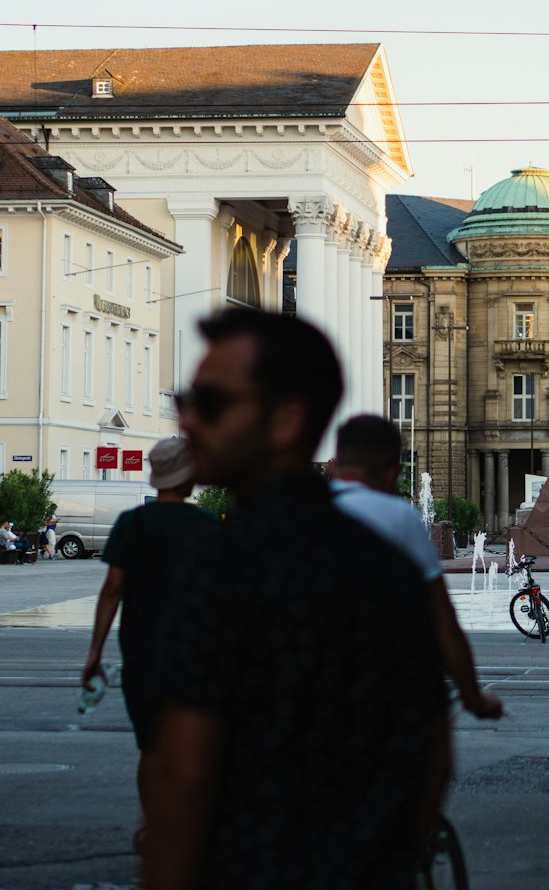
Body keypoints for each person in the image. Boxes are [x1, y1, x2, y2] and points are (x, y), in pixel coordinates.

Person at [144, 309, 449, 890]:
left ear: (285, 421)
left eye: (209, 403)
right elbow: (434, 747)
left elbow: (183, 773)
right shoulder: (386, 563)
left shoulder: (221, 564)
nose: (186, 419)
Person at [81, 438, 219, 851]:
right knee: (193, 741)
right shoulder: (209, 526)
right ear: (190, 479)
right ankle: (189, 826)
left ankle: (154, 823)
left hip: (141, 652)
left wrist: (93, 654)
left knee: (151, 745)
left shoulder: (132, 524)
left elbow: (112, 590)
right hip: (198, 654)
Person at [330, 413, 503, 720]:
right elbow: (443, 620)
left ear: (333, 465)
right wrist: (473, 697)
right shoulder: (400, 517)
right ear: (392, 472)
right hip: (385, 682)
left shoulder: (298, 511)